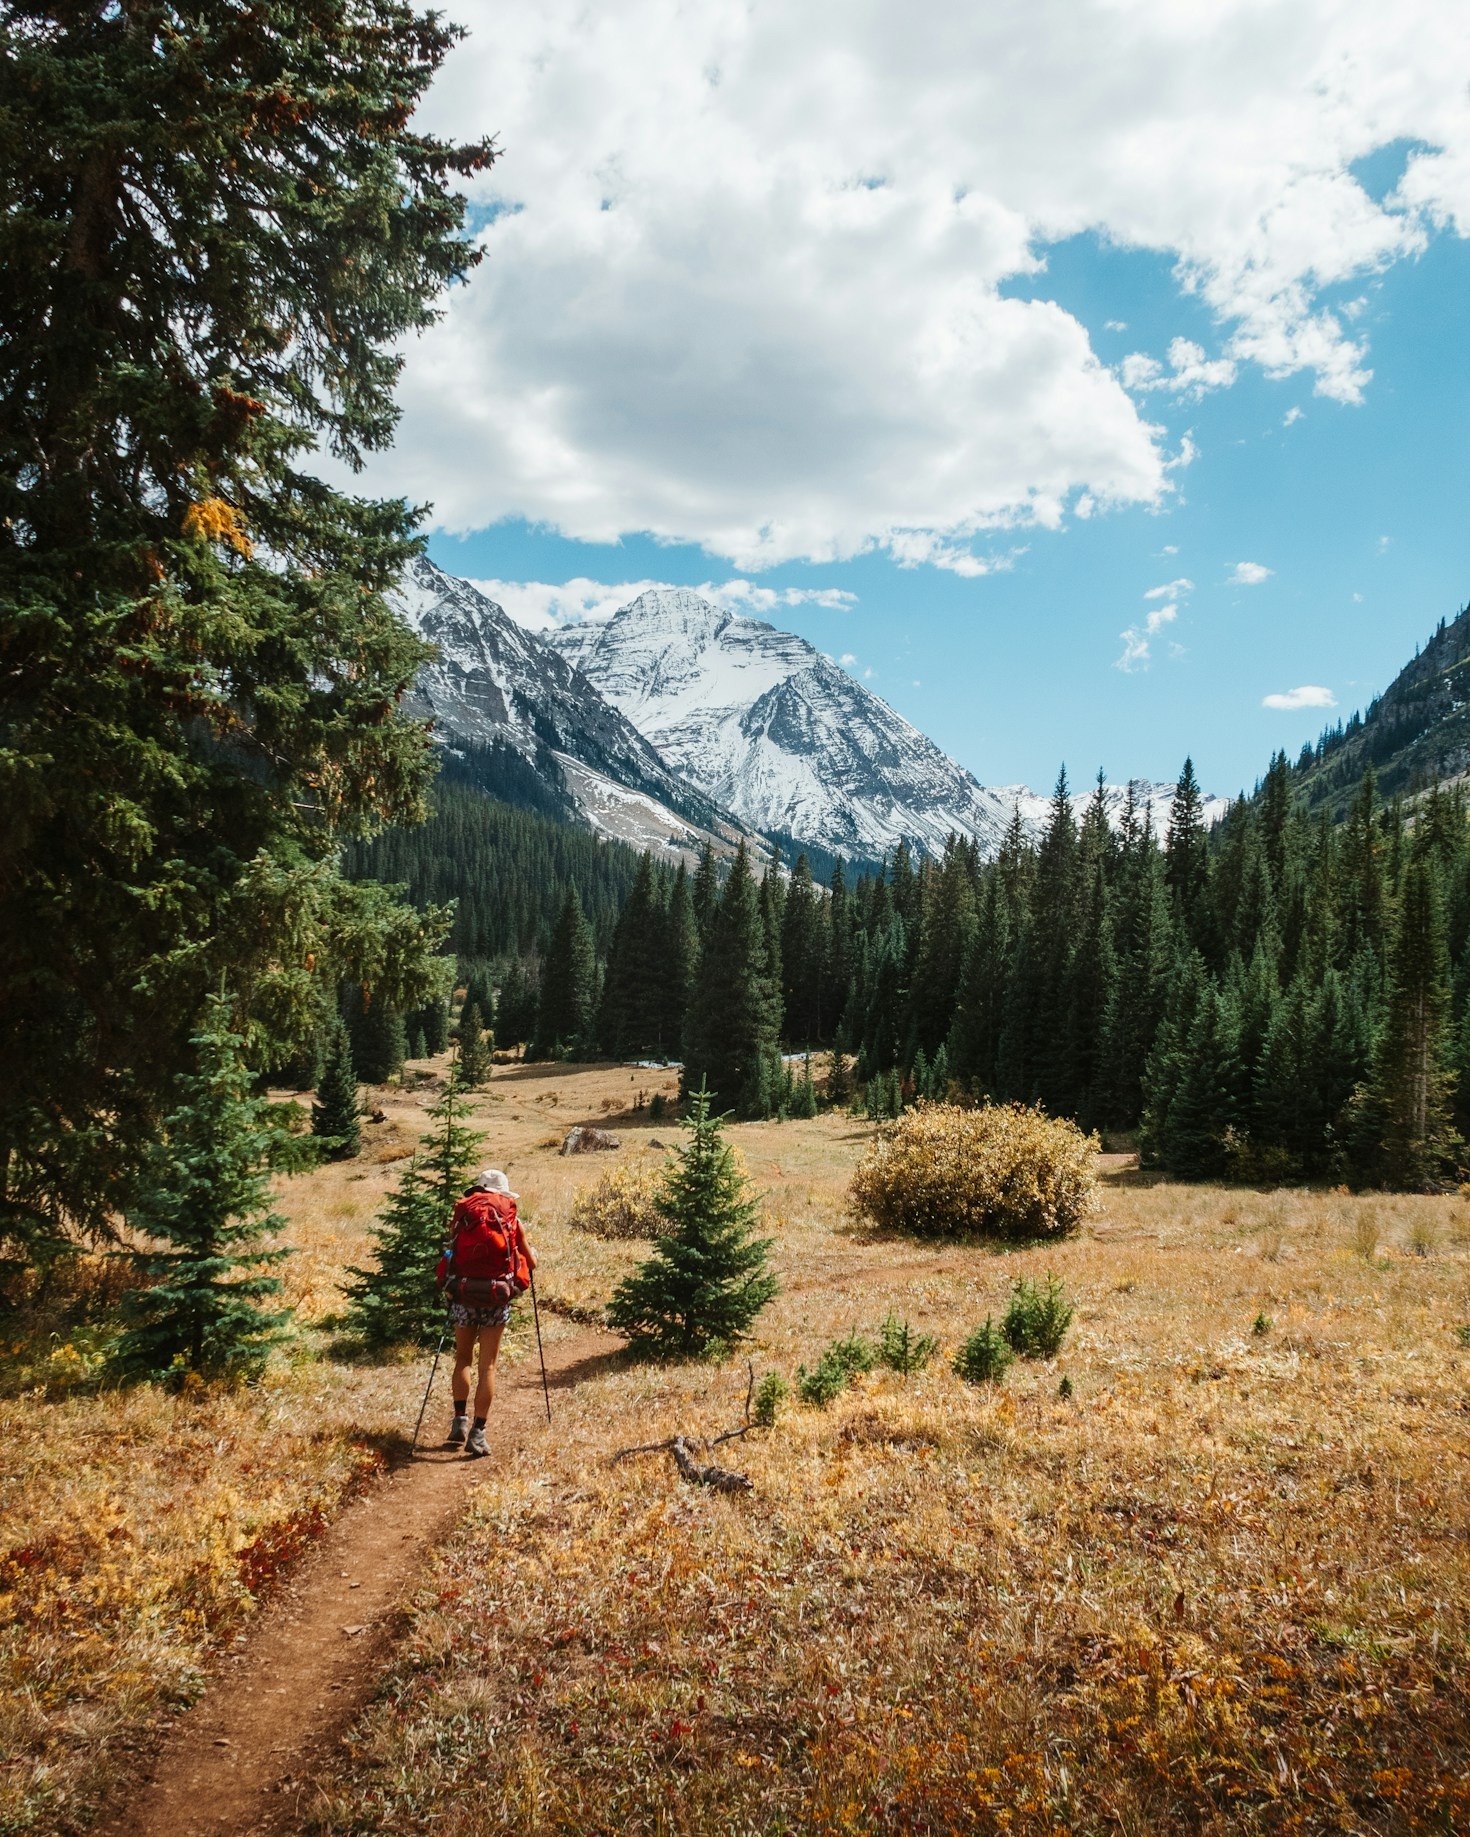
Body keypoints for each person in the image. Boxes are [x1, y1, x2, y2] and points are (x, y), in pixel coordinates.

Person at [442, 1168, 536, 1456]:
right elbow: (531, 1263)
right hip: (496, 1297)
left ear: (479, 1190)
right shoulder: (511, 1220)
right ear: (502, 1193)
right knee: (488, 1367)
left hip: (464, 1295)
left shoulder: (463, 1216)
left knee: (462, 1359)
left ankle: (459, 1420)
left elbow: (451, 1253)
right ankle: (478, 1433)